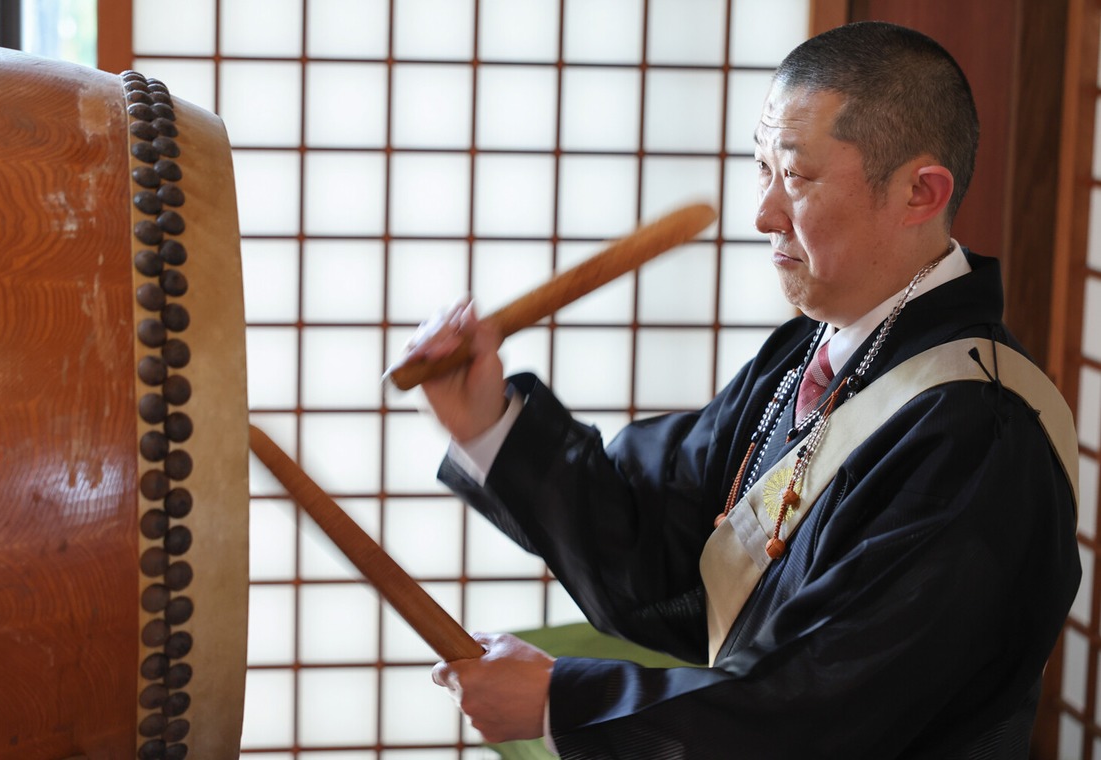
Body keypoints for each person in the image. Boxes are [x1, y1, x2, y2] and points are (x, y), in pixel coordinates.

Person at [401, 21, 1081, 759]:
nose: (763, 214)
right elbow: (661, 547)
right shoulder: (807, 352)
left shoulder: (981, 432)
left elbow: (820, 707)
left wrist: (561, 703)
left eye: (798, 176)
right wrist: (489, 421)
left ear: (920, 192)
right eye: (763, 168)